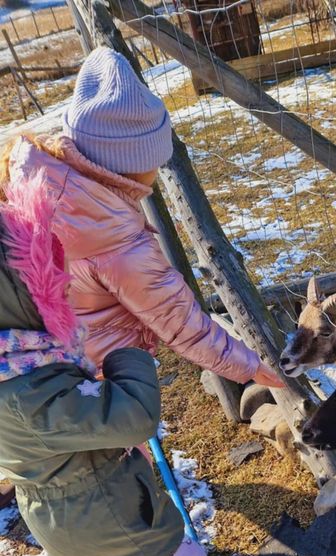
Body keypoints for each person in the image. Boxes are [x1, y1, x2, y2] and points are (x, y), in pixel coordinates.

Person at [0, 171, 209, 556]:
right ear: (19, 294)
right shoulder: (22, 390)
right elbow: (133, 415)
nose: (62, 286)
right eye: (45, 280)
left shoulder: (18, 361)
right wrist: (128, 351)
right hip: (97, 512)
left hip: (82, 508)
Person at [1, 46, 282, 390]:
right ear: (130, 164)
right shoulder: (113, 234)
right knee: (127, 435)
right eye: (155, 162)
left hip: (54, 361)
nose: (157, 171)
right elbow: (176, 318)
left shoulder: (41, 177)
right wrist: (248, 366)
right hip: (105, 371)